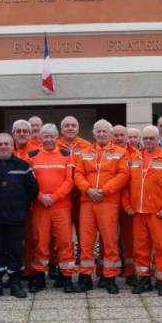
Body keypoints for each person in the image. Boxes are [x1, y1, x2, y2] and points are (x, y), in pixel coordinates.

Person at [122, 125, 162, 296]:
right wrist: (127, 206)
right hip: (138, 213)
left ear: (159, 139)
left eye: (151, 138)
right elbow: (126, 185)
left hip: (159, 214)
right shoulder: (134, 158)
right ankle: (144, 279)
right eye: (145, 138)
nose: (148, 141)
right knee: (140, 248)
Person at [0, 133, 39, 299]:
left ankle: (15, 284)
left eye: (7, 144)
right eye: (0, 144)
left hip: (16, 218)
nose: (4, 146)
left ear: (13, 146)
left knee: (15, 251)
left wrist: (20, 205)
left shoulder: (24, 166)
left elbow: (33, 190)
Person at [74, 119, 129, 294]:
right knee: (86, 240)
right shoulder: (84, 153)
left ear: (110, 134)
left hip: (108, 201)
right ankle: (85, 278)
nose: (102, 134)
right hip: (88, 201)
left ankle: (110, 277)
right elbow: (78, 174)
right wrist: (88, 190)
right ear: (94, 133)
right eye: (99, 131)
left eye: (105, 131)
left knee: (110, 240)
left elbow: (123, 175)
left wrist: (104, 191)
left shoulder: (120, 153)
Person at [27, 124, 80, 293]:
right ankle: (39, 278)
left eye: (52, 136)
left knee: (65, 242)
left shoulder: (66, 155)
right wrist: (41, 197)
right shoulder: (32, 156)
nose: (49, 139)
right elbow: (29, 182)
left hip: (61, 207)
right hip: (40, 207)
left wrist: (55, 197)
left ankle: (67, 278)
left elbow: (70, 181)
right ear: (40, 138)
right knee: (40, 242)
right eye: (45, 136)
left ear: (57, 138)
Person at [57, 116, 92, 271]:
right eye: (66, 126)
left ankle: (82, 262)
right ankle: (61, 265)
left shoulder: (87, 146)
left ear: (78, 129)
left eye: (73, 125)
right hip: (61, 197)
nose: (70, 128)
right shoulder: (55, 145)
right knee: (62, 234)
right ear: (62, 129)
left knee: (83, 232)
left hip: (81, 196)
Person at [12, 119, 41, 278]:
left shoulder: (37, 151)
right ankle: (16, 270)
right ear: (13, 134)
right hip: (11, 205)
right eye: (18, 131)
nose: (21, 134)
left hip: (31, 204)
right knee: (14, 239)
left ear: (30, 134)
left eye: (25, 131)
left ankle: (32, 271)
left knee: (33, 238)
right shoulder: (8, 150)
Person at [111, 125, 139, 286]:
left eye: (122, 135)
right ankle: (106, 273)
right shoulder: (107, 152)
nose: (119, 138)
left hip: (129, 202)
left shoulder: (136, 155)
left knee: (130, 239)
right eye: (116, 135)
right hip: (110, 200)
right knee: (110, 239)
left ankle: (130, 272)